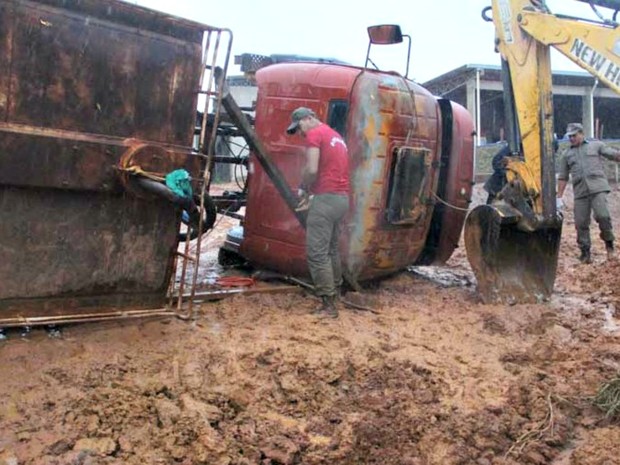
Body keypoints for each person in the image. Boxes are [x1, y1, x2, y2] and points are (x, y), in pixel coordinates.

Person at [286, 107, 350, 319]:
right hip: (341, 199)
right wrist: (313, 196)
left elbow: (312, 169)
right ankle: (337, 292)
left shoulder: (314, 134)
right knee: (331, 250)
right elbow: (331, 170)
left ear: (309, 118)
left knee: (316, 253)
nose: (301, 133)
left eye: (300, 126)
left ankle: (328, 305)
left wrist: (304, 187)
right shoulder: (336, 136)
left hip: (326, 199)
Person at [557, 122, 620, 264]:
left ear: (581, 134)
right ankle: (585, 253)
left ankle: (609, 246)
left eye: (574, 135)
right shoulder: (567, 155)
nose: (571, 139)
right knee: (580, 223)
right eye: (570, 136)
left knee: (602, 215)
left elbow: (612, 154)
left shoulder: (595, 145)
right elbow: (563, 177)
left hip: (598, 187)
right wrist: (559, 196)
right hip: (580, 192)